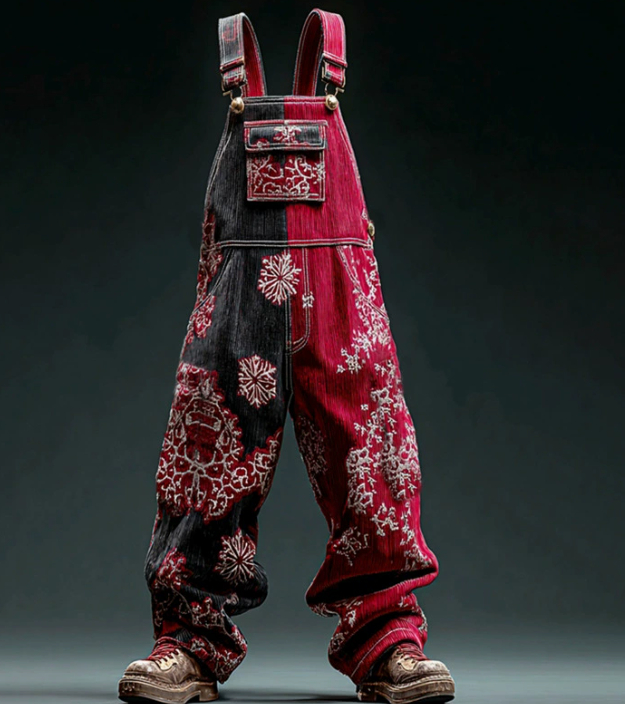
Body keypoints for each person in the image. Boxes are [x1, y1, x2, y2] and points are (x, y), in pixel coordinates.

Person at [118, 9, 455, 704]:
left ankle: (388, 639)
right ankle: (187, 643)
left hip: (339, 291)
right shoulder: (231, 64)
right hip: (239, 290)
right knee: (207, 454)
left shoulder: (332, 57)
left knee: (372, 454)